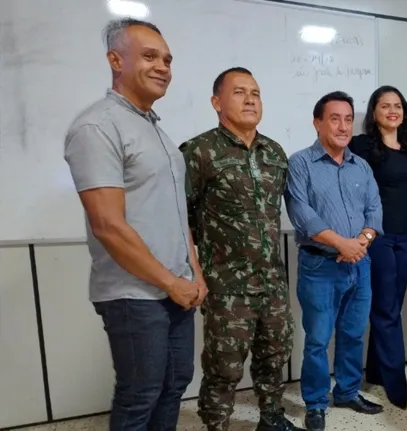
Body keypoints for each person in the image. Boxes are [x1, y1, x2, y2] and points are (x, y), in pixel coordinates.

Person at [63, 18, 207, 429]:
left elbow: (177, 214)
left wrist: (193, 273)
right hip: (134, 294)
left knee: (174, 382)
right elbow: (108, 225)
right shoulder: (97, 126)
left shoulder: (156, 131)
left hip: (177, 288)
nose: (163, 66)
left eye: (167, 59)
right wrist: (170, 281)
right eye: (149, 56)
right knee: (140, 393)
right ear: (115, 60)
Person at [181, 67, 303, 431]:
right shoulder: (198, 151)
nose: (250, 99)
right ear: (216, 102)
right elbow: (179, 218)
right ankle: (217, 424)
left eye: (256, 92)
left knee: (274, 354)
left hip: (272, 281)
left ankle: (271, 418)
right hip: (226, 285)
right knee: (224, 365)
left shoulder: (274, 152)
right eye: (239, 92)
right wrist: (195, 272)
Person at [284, 91, 385, 431]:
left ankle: (347, 391)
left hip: (361, 264)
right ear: (317, 123)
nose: (343, 126)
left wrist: (361, 243)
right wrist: (343, 243)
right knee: (317, 339)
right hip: (320, 267)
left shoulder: (362, 165)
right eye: (334, 118)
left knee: (354, 334)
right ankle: (315, 402)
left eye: (348, 119)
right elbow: (302, 213)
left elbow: (374, 208)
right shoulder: (300, 163)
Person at [347, 85, 407, 410]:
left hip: (406, 236)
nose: (392, 110)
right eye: (384, 105)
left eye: (397, 105)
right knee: (386, 309)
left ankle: (376, 371)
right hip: (376, 236)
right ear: (373, 112)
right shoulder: (361, 146)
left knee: (393, 305)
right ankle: (395, 384)